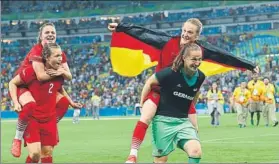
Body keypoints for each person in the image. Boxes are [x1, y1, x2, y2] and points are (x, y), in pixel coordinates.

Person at [108, 18, 259, 163]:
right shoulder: (167, 41)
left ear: (197, 35)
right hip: (160, 91)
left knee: (194, 133)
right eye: (184, 30)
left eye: (190, 32)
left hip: (182, 97)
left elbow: (223, 56)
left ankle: (186, 147)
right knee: (146, 116)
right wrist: (121, 27)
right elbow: (145, 33)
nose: (185, 34)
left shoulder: (199, 50)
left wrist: (249, 65)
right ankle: (132, 155)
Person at [11, 22, 82, 158]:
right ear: (40, 36)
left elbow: (67, 77)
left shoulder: (58, 53)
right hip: (24, 85)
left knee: (63, 103)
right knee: (31, 105)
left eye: (53, 33)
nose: (50, 35)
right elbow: (41, 76)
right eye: (47, 32)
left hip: (41, 87)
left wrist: (71, 101)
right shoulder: (37, 51)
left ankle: (47, 127)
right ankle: (17, 138)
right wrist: (58, 72)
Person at [143, 43, 204, 163]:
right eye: (194, 59)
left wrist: (192, 113)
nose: (197, 63)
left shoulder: (201, 76)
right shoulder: (170, 73)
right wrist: (142, 103)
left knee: (196, 151)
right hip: (163, 121)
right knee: (161, 160)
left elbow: (195, 93)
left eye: (199, 59)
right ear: (184, 58)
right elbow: (149, 82)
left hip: (182, 122)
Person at [9, 43, 67, 163]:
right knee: (35, 154)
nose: (60, 58)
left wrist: (71, 102)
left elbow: (60, 91)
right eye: (56, 56)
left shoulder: (60, 75)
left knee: (47, 154)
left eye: (61, 55)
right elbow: (12, 83)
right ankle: (17, 139)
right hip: (33, 119)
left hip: (49, 119)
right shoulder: (31, 72)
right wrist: (16, 102)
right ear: (47, 57)